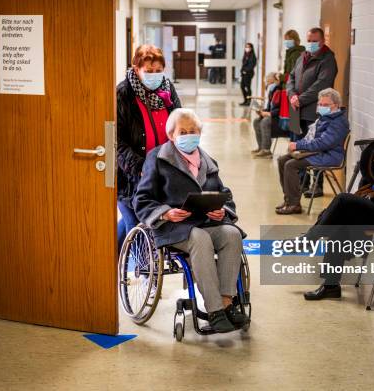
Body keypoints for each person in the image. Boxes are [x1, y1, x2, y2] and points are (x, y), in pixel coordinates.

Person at [132, 108, 248, 334]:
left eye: (193, 131)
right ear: (171, 135)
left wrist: (221, 210)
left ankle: (226, 302)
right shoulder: (157, 158)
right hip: (173, 227)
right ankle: (214, 311)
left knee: (232, 234)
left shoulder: (207, 161)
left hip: (205, 223)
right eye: (182, 131)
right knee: (200, 238)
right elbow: (141, 199)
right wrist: (166, 213)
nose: (188, 135)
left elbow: (224, 193)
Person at [116, 45, 181, 253]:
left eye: (158, 71)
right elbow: (117, 141)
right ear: (136, 69)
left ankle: (111, 259)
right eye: (148, 71)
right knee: (137, 223)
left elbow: (178, 122)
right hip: (132, 175)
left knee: (134, 224)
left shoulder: (167, 89)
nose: (154, 76)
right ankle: (144, 275)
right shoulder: (123, 94)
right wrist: (140, 167)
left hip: (162, 170)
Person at [303, 183, 374, 300]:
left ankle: (309, 240)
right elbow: (368, 174)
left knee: (342, 201)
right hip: (372, 200)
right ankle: (331, 286)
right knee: (339, 218)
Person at [276, 88, 349, 215]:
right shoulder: (325, 117)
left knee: (291, 165)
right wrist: (300, 145)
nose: (321, 107)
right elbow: (313, 138)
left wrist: (298, 145)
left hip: (329, 155)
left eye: (325, 105)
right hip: (319, 152)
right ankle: (288, 199)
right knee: (282, 160)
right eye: (320, 104)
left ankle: (294, 205)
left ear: (336, 105)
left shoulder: (338, 122)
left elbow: (323, 143)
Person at [286, 28, 338, 196]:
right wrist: (292, 95)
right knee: (298, 150)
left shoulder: (327, 59)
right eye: (309, 40)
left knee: (315, 149)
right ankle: (302, 183)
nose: (311, 43)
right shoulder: (303, 56)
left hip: (313, 112)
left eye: (314, 40)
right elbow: (291, 78)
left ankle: (317, 185)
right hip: (297, 111)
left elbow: (322, 84)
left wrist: (300, 99)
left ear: (322, 41)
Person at [252, 72, 282, 158]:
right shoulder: (272, 91)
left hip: (279, 117)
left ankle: (266, 150)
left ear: (274, 80)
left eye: (268, 81)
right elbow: (270, 107)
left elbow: (280, 109)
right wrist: (262, 111)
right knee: (256, 121)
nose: (267, 83)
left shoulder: (279, 91)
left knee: (265, 121)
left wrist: (270, 113)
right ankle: (261, 147)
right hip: (273, 114)